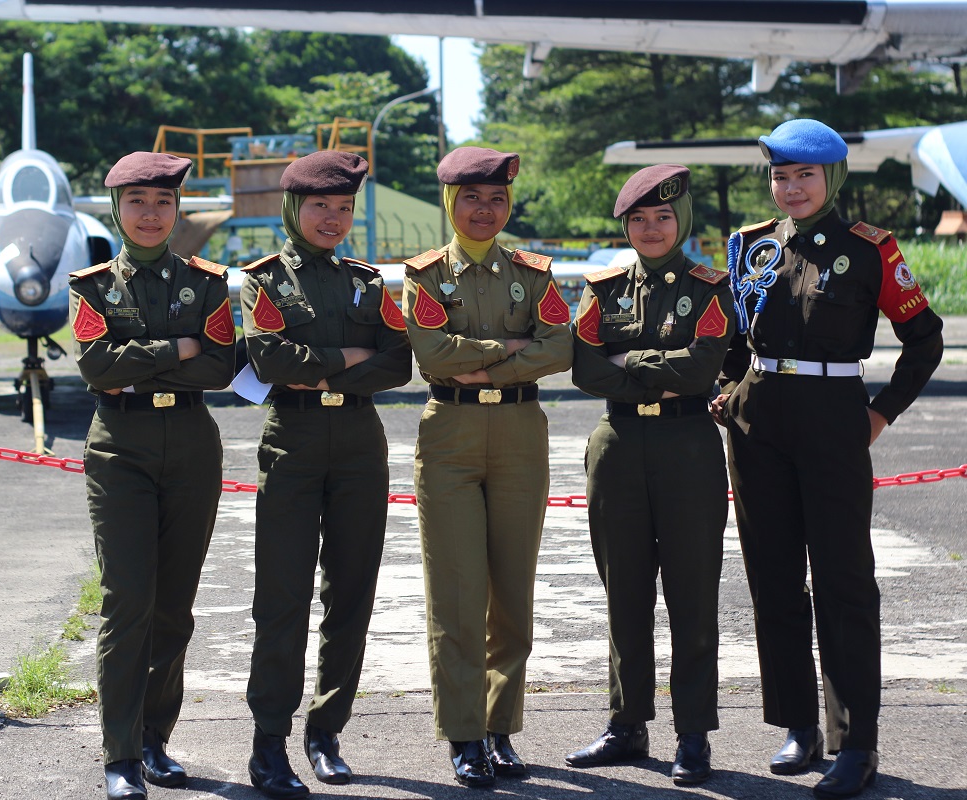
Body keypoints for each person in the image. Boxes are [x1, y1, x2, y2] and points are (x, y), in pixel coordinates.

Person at [712, 119, 944, 799]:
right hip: (757, 424)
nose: (791, 188)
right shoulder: (749, 246)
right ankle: (798, 726)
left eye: (805, 175)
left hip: (835, 419)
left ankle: (855, 741)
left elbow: (925, 339)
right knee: (774, 578)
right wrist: (729, 388)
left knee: (844, 582)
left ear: (832, 177)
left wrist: (881, 413)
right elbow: (732, 337)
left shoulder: (871, 250)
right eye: (781, 176)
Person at [240, 150, 412, 799]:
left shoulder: (367, 282)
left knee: (352, 593)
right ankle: (269, 742)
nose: (332, 219)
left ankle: (326, 730)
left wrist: (319, 365)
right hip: (294, 440)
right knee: (281, 597)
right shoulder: (263, 281)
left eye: (343, 208)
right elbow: (270, 360)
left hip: (360, 444)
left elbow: (399, 362)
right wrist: (350, 355)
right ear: (293, 208)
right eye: (320, 206)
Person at [401, 146, 575, 788]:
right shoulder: (423, 276)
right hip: (450, 434)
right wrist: (512, 347)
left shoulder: (533, 274)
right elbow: (432, 354)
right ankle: (465, 734)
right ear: (451, 202)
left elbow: (561, 346)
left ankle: (501, 729)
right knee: (456, 594)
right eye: (471, 197)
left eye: (496, 198)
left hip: (521, 435)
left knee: (513, 593)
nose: (484, 209)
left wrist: (482, 360)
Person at [68, 151, 237, 800]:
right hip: (121, 449)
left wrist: (140, 362)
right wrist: (179, 347)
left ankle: (154, 741)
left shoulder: (206, 283)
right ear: (117, 209)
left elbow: (219, 368)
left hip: (192, 445)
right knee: (127, 601)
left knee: (173, 609)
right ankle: (119, 755)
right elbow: (97, 368)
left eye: (163, 202)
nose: (150, 213)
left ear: (177, 210)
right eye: (137, 201)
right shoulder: (93, 287)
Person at [563, 165, 734, 785]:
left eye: (662, 217)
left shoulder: (711, 288)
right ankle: (626, 724)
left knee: (693, 596)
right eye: (638, 219)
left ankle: (693, 734)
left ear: (681, 220)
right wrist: (660, 367)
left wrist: (628, 359)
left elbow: (701, 370)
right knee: (624, 595)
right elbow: (585, 369)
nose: (651, 228)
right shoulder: (602, 289)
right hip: (617, 447)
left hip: (688, 446)